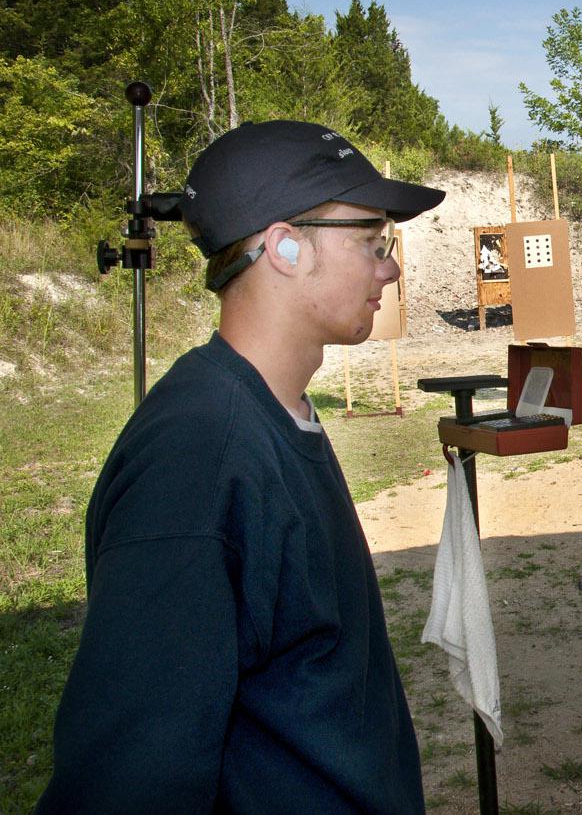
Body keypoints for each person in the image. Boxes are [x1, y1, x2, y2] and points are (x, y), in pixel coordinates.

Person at [37, 121, 446, 813]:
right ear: (285, 246)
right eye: (371, 241)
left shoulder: (267, 413)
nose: (390, 267)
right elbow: (128, 778)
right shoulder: (197, 459)